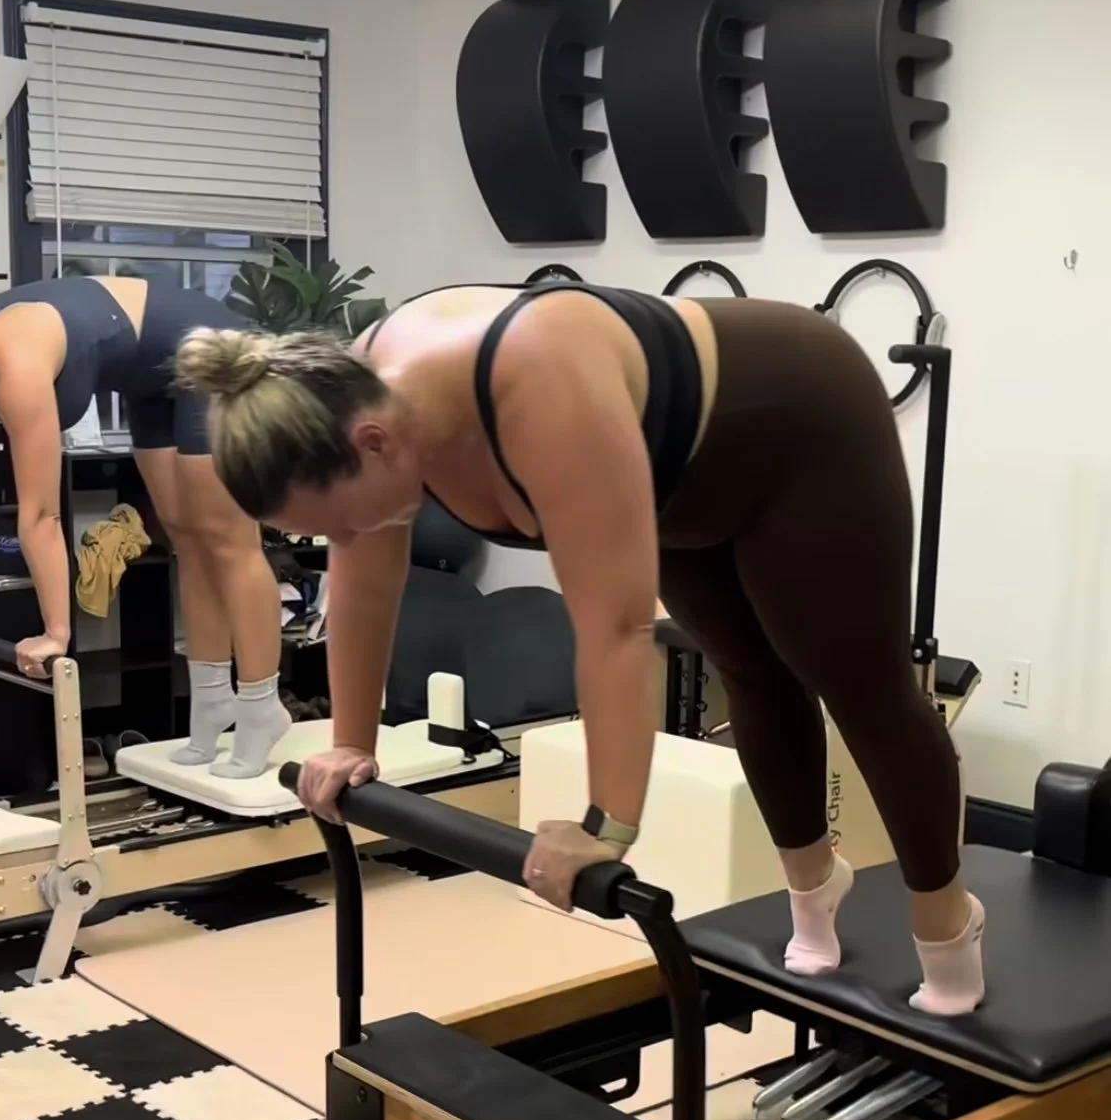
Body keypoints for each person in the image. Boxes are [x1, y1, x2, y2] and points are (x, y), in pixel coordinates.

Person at [174, 281, 985, 1016]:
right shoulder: (344, 410)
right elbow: (363, 584)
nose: (349, 539)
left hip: (798, 419)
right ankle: (814, 890)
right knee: (751, 673)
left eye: (343, 521)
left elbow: (615, 628)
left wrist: (605, 829)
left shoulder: (536, 383)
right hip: (675, 478)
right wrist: (352, 744)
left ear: (375, 442)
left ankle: (946, 921)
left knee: (861, 685)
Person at [0, 276, 288, 778]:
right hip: (147, 376)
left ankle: (261, 704)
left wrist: (56, 633)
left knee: (228, 539)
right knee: (186, 539)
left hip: (208, 343)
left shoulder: (12, 360)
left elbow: (41, 514)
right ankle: (212, 701)